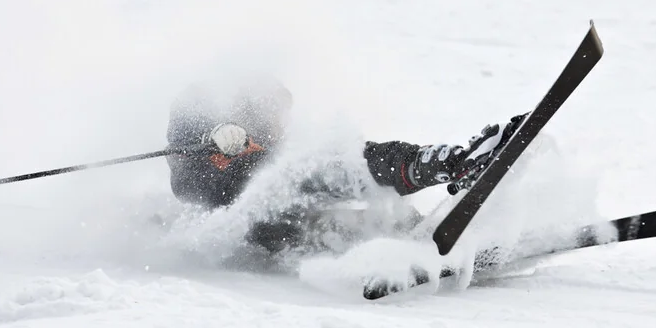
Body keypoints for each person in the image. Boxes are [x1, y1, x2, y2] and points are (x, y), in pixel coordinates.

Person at [165, 78, 526, 256]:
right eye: (273, 112)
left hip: (305, 219)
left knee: (353, 167)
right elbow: (186, 184)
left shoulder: (282, 147)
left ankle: (451, 172)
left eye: (283, 114)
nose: (281, 122)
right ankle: (448, 169)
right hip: (261, 227)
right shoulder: (212, 135)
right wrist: (210, 142)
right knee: (329, 172)